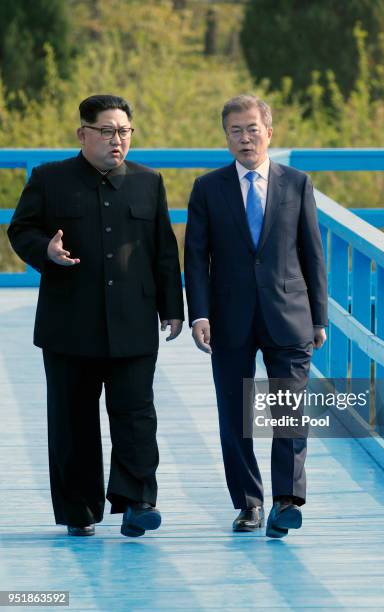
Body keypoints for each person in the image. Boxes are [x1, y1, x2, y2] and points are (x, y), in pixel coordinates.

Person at [8, 94, 184, 538]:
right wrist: (44, 251)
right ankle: (78, 510)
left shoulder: (148, 182)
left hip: (133, 321)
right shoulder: (50, 180)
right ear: (82, 134)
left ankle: (137, 502)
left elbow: (164, 249)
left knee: (136, 415)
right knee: (72, 422)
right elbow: (21, 229)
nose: (117, 140)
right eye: (107, 131)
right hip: (69, 325)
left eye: (124, 131)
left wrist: (173, 308)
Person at [184, 94, 327, 538]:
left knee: (289, 412)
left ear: (269, 131)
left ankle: (286, 501)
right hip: (228, 317)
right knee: (235, 413)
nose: (245, 138)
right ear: (225, 136)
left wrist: (319, 318)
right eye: (235, 130)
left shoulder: (297, 183)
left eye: (252, 129)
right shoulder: (208, 188)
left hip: (289, 314)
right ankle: (248, 504)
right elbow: (195, 257)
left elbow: (312, 253)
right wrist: (199, 314)